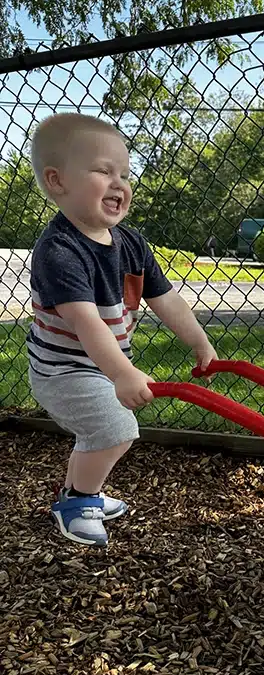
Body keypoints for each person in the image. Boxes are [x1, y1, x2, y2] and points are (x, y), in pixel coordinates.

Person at [27, 113, 217, 547]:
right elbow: (86, 321)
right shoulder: (59, 250)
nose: (119, 183)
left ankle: (75, 493)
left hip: (98, 366)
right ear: (58, 182)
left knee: (103, 430)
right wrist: (121, 373)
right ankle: (79, 500)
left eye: (125, 174)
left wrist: (199, 341)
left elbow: (165, 299)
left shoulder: (131, 244)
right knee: (116, 428)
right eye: (102, 170)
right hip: (62, 371)